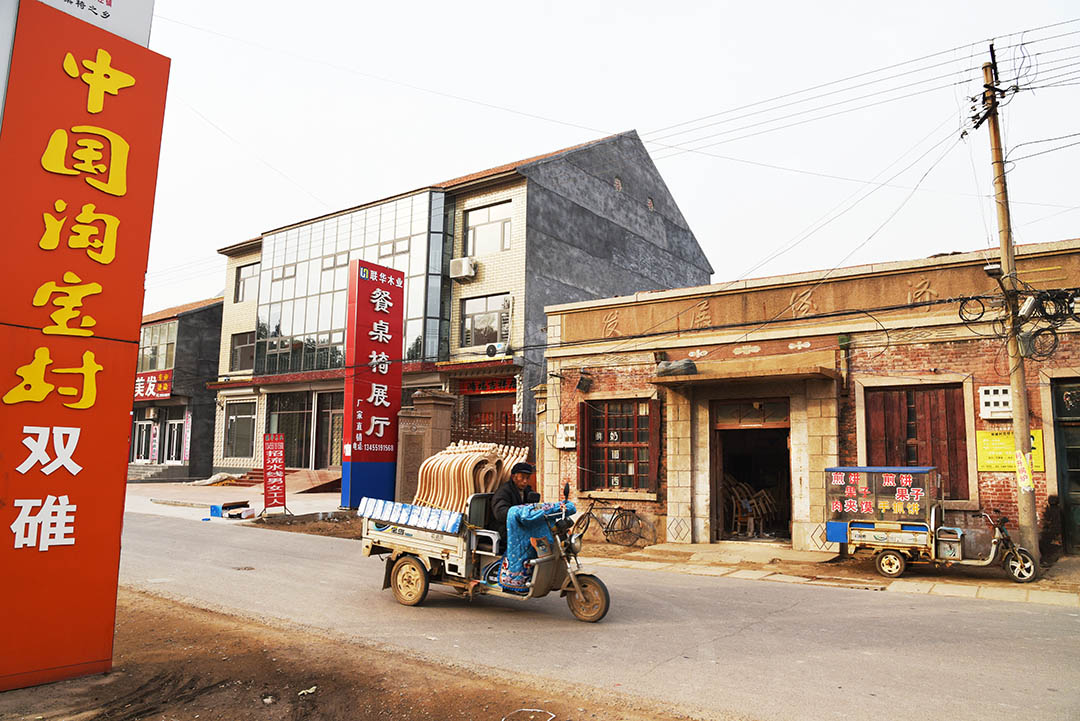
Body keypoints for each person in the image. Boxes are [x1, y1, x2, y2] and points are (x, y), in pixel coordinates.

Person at [492, 461, 535, 542]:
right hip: (505, 527)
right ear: (513, 477)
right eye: (522, 477)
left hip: (521, 525)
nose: (525, 481)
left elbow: (534, 506)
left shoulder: (528, 491)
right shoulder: (504, 491)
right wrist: (520, 513)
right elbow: (500, 513)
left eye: (527, 478)